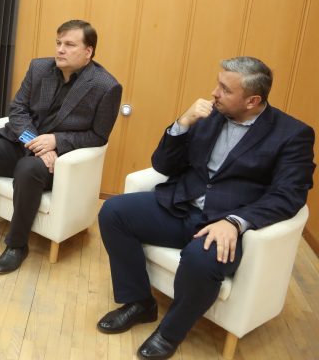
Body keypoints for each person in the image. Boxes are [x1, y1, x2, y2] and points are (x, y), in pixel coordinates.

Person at [96, 56, 315, 360]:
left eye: (225, 89)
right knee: (114, 212)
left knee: (200, 260)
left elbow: (289, 195)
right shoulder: (210, 114)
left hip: (226, 223)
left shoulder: (292, 134)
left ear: (252, 100)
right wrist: (182, 124)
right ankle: (139, 303)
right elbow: (163, 165)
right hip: (182, 206)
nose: (214, 93)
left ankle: (170, 332)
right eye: (217, 84)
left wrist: (236, 221)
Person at [0, 20, 122, 274]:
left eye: (69, 44)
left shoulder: (106, 86)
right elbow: (18, 109)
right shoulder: (39, 68)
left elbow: (98, 136)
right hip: (25, 144)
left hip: (59, 160)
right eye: (58, 43)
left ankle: (17, 245)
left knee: (28, 169)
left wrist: (56, 141)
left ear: (88, 51)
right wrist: (37, 142)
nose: (60, 49)